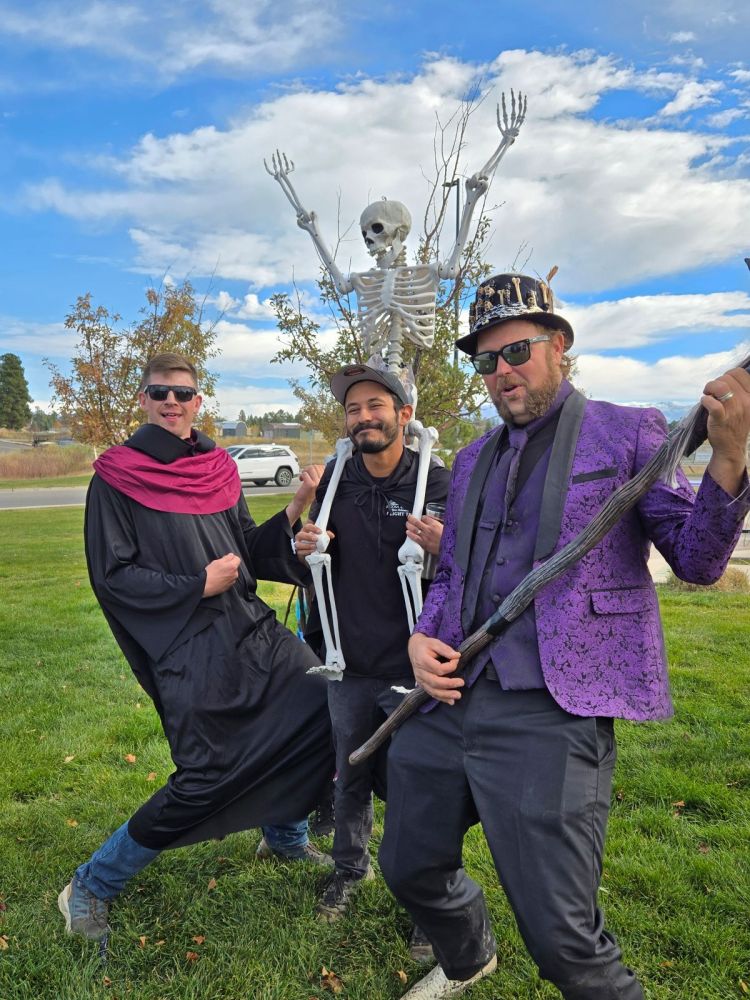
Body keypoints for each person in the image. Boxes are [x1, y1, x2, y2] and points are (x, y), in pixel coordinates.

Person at [377, 273, 750, 999]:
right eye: (485, 361)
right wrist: (422, 639)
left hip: (555, 708)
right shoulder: (473, 458)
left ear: (559, 348)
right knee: (408, 866)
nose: (501, 372)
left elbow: (699, 561)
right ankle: (468, 954)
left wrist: (731, 460)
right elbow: (452, 574)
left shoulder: (629, 430)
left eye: (515, 350)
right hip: (449, 695)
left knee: (564, 942)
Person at [58, 352, 335, 941]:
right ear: (143, 399)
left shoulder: (217, 468)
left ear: (198, 401)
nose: (172, 403)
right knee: (208, 772)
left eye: (182, 393)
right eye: (160, 392)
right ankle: (91, 884)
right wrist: (195, 586)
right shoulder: (117, 476)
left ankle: (284, 838)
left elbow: (246, 549)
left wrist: (292, 511)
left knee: (319, 708)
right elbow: (113, 573)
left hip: (250, 627)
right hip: (186, 643)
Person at [293, 365, 450, 946]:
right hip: (350, 663)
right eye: (354, 409)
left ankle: (426, 897)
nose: (364, 417)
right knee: (350, 776)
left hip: (416, 667)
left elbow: (475, 567)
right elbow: (307, 557)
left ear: (404, 415)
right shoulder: (337, 480)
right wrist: (302, 541)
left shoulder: (436, 482)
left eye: (376, 405)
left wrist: (445, 544)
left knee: (420, 787)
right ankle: (347, 870)